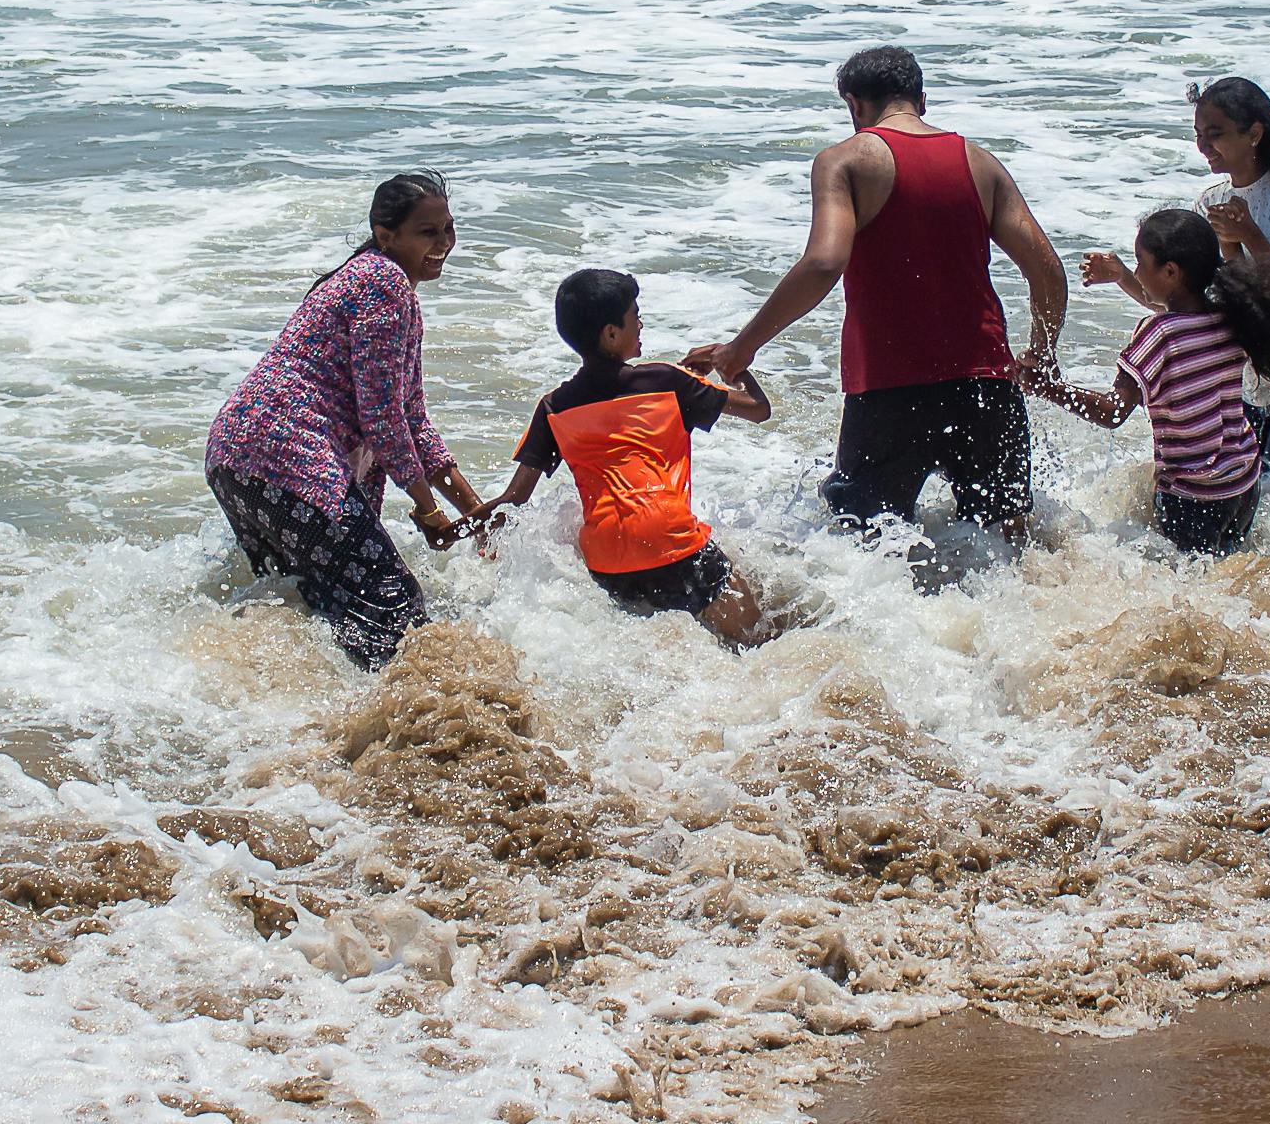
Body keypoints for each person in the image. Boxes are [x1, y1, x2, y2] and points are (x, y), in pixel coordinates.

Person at [695, 45, 1068, 548]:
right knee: (1011, 553)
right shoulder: (980, 163)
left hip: (890, 395)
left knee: (868, 555)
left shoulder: (844, 161)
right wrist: (1040, 353)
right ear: (922, 99)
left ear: (854, 104)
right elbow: (1047, 272)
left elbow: (824, 262)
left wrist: (744, 346)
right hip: (987, 388)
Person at [203, 171, 488, 670]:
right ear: (386, 235)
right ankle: (392, 735)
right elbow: (383, 420)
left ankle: (278, 715)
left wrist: (476, 514)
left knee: (301, 606)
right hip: (287, 460)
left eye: (448, 228)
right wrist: (429, 512)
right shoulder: (384, 282)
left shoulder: (372, 281)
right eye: (428, 232)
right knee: (394, 612)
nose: (443, 244)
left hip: (238, 459)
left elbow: (412, 420)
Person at [1086, 76, 1270, 531]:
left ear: (1254, 133)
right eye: (1198, 135)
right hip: (1253, 376)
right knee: (1257, 515)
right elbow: (1193, 305)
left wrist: (1247, 235)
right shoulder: (1211, 201)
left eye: (1214, 135)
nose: (1203, 147)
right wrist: (1123, 277)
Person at [476, 268, 779, 647]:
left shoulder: (553, 407)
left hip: (608, 564)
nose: (641, 323)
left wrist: (463, 527)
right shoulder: (666, 382)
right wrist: (730, 363)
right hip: (673, 543)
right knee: (759, 642)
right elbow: (757, 409)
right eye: (635, 315)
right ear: (611, 333)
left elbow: (515, 498)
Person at [1029, 208, 1270, 554]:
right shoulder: (1229, 317)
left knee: (1193, 593)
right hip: (1241, 482)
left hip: (1194, 498)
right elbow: (1173, 312)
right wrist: (1121, 277)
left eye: (1140, 263)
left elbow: (1112, 413)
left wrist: (1045, 387)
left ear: (1171, 271)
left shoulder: (1157, 336)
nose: (1138, 273)